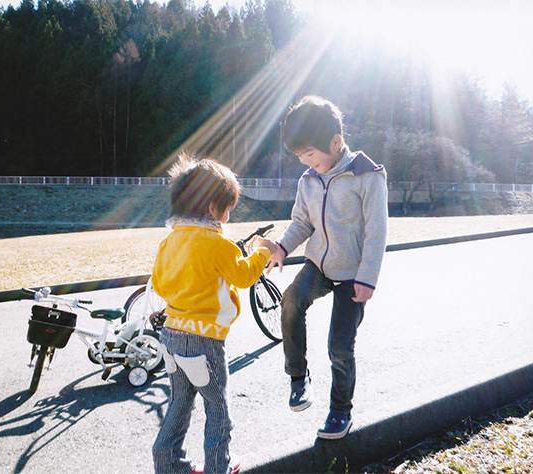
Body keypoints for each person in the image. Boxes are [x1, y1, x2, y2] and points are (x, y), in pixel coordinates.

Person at [267, 95, 388, 440]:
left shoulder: (367, 175)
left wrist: (368, 278)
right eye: (300, 156)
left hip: (353, 274)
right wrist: (282, 247)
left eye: (309, 154)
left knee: (339, 347)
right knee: (291, 300)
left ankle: (340, 411)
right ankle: (298, 377)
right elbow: (301, 222)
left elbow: (377, 231)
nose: (305, 162)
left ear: (336, 142)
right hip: (318, 265)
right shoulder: (308, 180)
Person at [152, 154, 278, 474]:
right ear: (212, 208)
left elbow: (159, 284)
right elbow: (244, 277)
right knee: (217, 408)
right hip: (204, 340)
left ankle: (168, 464)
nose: (228, 215)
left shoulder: (169, 242)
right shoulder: (218, 243)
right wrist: (263, 251)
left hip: (171, 335)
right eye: (228, 208)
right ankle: (218, 466)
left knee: (179, 404)